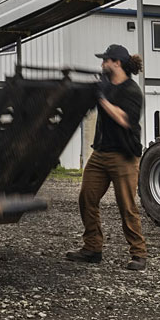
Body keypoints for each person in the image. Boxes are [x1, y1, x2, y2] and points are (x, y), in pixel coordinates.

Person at [66, 44, 149, 271]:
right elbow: (84, 102)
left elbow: (123, 119)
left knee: (127, 206)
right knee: (87, 198)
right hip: (100, 153)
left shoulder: (131, 91)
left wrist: (101, 98)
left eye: (105, 61)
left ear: (117, 63)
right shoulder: (104, 85)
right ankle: (92, 248)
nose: (102, 64)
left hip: (124, 156)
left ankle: (138, 254)